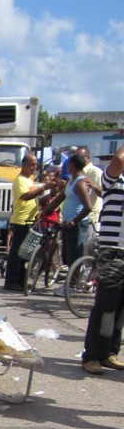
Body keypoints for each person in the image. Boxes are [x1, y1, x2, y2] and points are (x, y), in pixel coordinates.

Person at [81, 143, 124, 375]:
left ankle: (109, 352)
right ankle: (93, 355)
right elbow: (118, 161)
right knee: (106, 306)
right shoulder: (113, 180)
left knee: (120, 309)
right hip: (113, 250)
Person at [44, 153, 93, 269]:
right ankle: (69, 283)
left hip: (77, 225)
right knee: (67, 257)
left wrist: (74, 221)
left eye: (68, 164)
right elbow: (59, 199)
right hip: (67, 223)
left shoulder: (80, 184)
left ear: (72, 165)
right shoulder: (71, 181)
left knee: (75, 257)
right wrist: (45, 211)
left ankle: (72, 285)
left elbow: (88, 207)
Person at [4, 152, 45, 291]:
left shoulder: (30, 179)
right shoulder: (20, 180)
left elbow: (35, 198)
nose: (34, 167)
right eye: (31, 164)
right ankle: (11, 281)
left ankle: (21, 281)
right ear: (24, 165)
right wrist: (43, 188)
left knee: (26, 254)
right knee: (17, 253)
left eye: (36, 165)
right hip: (21, 220)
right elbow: (26, 196)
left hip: (30, 220)